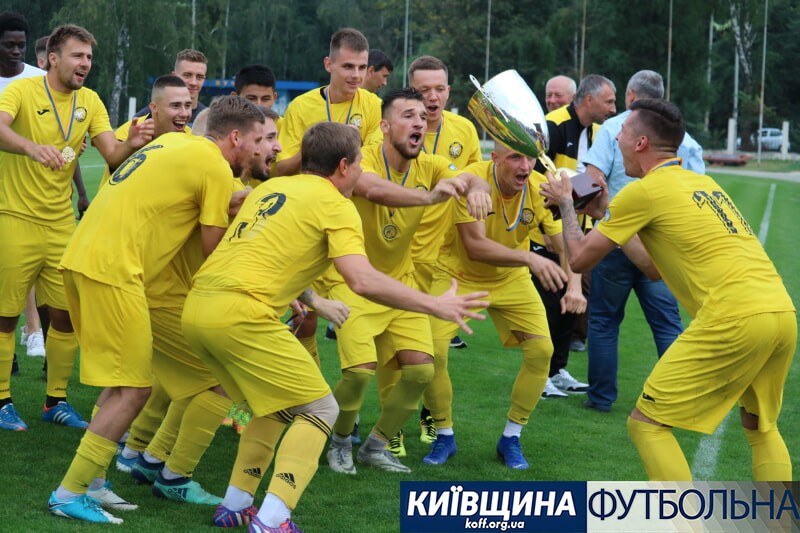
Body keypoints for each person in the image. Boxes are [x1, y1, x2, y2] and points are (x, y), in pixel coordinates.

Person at [182, 121, 489, 532]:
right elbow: (361, 280)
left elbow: (262, 252)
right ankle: (272, 520)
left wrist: (314, 300)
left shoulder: (274, 188)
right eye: (360, 163)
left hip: (198, 308)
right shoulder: (336, 204)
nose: (362, 171)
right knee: (321, 409)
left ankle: (235, 505)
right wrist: (435, 304)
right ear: (344, 166)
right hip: (242, 315)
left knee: (277, 406)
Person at [541, 97, 796, 481]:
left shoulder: (644, 191)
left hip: (733, 317)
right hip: (780, 312)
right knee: (761, 427)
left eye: (622, 133)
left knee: (647, 424)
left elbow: (576, 260)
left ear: (641, 142)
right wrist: (606, 213)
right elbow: (654, 269)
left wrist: (565, 204)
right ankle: (779, 514)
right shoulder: (704, 183)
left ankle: (680, 514)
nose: (617, 140)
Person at [47, 95, 265, 524]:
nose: (259, 151)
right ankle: (68, 492)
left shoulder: (175, 143)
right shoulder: (214, 166)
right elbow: (214, 249)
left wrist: (232, 205)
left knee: (125, 382)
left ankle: (93, 481)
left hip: (84, 258)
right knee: (135, 389)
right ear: (236, 137)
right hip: (114, 270)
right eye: (258, 141)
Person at [325, 88, 491, 476]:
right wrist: (429, 199)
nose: (420, 122)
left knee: (420, 371)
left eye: (422, 117)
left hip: (401, 283)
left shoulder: (431, 165)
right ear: (385, 126)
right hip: (354, 281)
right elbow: (371, 189)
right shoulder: (364, 157)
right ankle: (339, 440)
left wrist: (478, 190)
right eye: (408, 116)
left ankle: (376, 445)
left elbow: (470, 177)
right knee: (359, 371)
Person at [0, 24, 155, 433]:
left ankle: (55, 401)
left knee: (66, 316)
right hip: (13, 217)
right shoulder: (22, 90)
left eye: (88, 56)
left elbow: (113, 155)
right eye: (77, 55)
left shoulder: (90, 100)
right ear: (53, 59)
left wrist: (133, 142)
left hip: (61, 224)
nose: (85, 63)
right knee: (6, 316)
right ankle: (1, 401)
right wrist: (31, 147)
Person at [423, 143, 578, 469]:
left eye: (530, 158)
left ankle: (511, 437)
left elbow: (564, 244)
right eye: (515, 157)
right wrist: (529, 258)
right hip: (457, 276)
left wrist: (574, 286)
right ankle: (444, 434)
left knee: (542, 351)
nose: (525, 166)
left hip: (511, 279)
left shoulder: (539, 187)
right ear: (494, 158)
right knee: (432, 352)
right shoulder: (473, 180)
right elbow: (475, 246)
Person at [581, 70, 703, 412]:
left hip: (614, 237)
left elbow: (591, 179)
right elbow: (695, 192)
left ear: (631, 96)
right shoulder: (685, 140)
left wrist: (570, 199)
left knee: (604, 320)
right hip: (661, 243)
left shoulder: (613, 128)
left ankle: (601, 398)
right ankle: (680, 397)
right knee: (667, 323)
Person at [273, 28, 383, 374]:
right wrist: (317, 147)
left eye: (362, 67)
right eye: (348, 66)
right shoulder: (302, 107)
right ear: (328, 64)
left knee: (360, 343)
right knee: (298, 319)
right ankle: (298, 390)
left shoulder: (372, 105)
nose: (356, 75)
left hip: (345, 224)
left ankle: (318, 395)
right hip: (303, 223)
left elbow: (368, 166)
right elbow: (279, 169)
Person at [404, 54, 482, 449]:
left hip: (445, 259)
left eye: (439, 89)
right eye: (423, 90)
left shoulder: (464, 130)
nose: (432, 97)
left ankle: (434, 422)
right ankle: (390, 425)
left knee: (436, 351)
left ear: (449, 91)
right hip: (400, 253)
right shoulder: (397, 129)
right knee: (397, 350)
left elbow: (476, 178)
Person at [534, 74, 616, 399]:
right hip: (550, 233)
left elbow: (591, 182)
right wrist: (546, 227)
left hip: (580, 235)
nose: (613, 109)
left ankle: (558, 369)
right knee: (550, 304)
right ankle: (540, 375)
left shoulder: (598, 133)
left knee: (574, 304)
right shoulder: (553, 126)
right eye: (609, 101)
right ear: (589, 100)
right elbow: (536, 180)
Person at [0, 13, 47, 374]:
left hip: (27, 188)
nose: (16, 51)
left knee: (24, 263)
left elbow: (58, 131)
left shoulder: (37, 80)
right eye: (8, 45)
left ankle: (33, 330)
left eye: (21, 45)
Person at [134, 49, 208, 127]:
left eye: (199, 77)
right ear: (174, 76)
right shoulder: (143, 119)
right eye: (187, 75)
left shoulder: (209, 119)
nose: (193, 82)